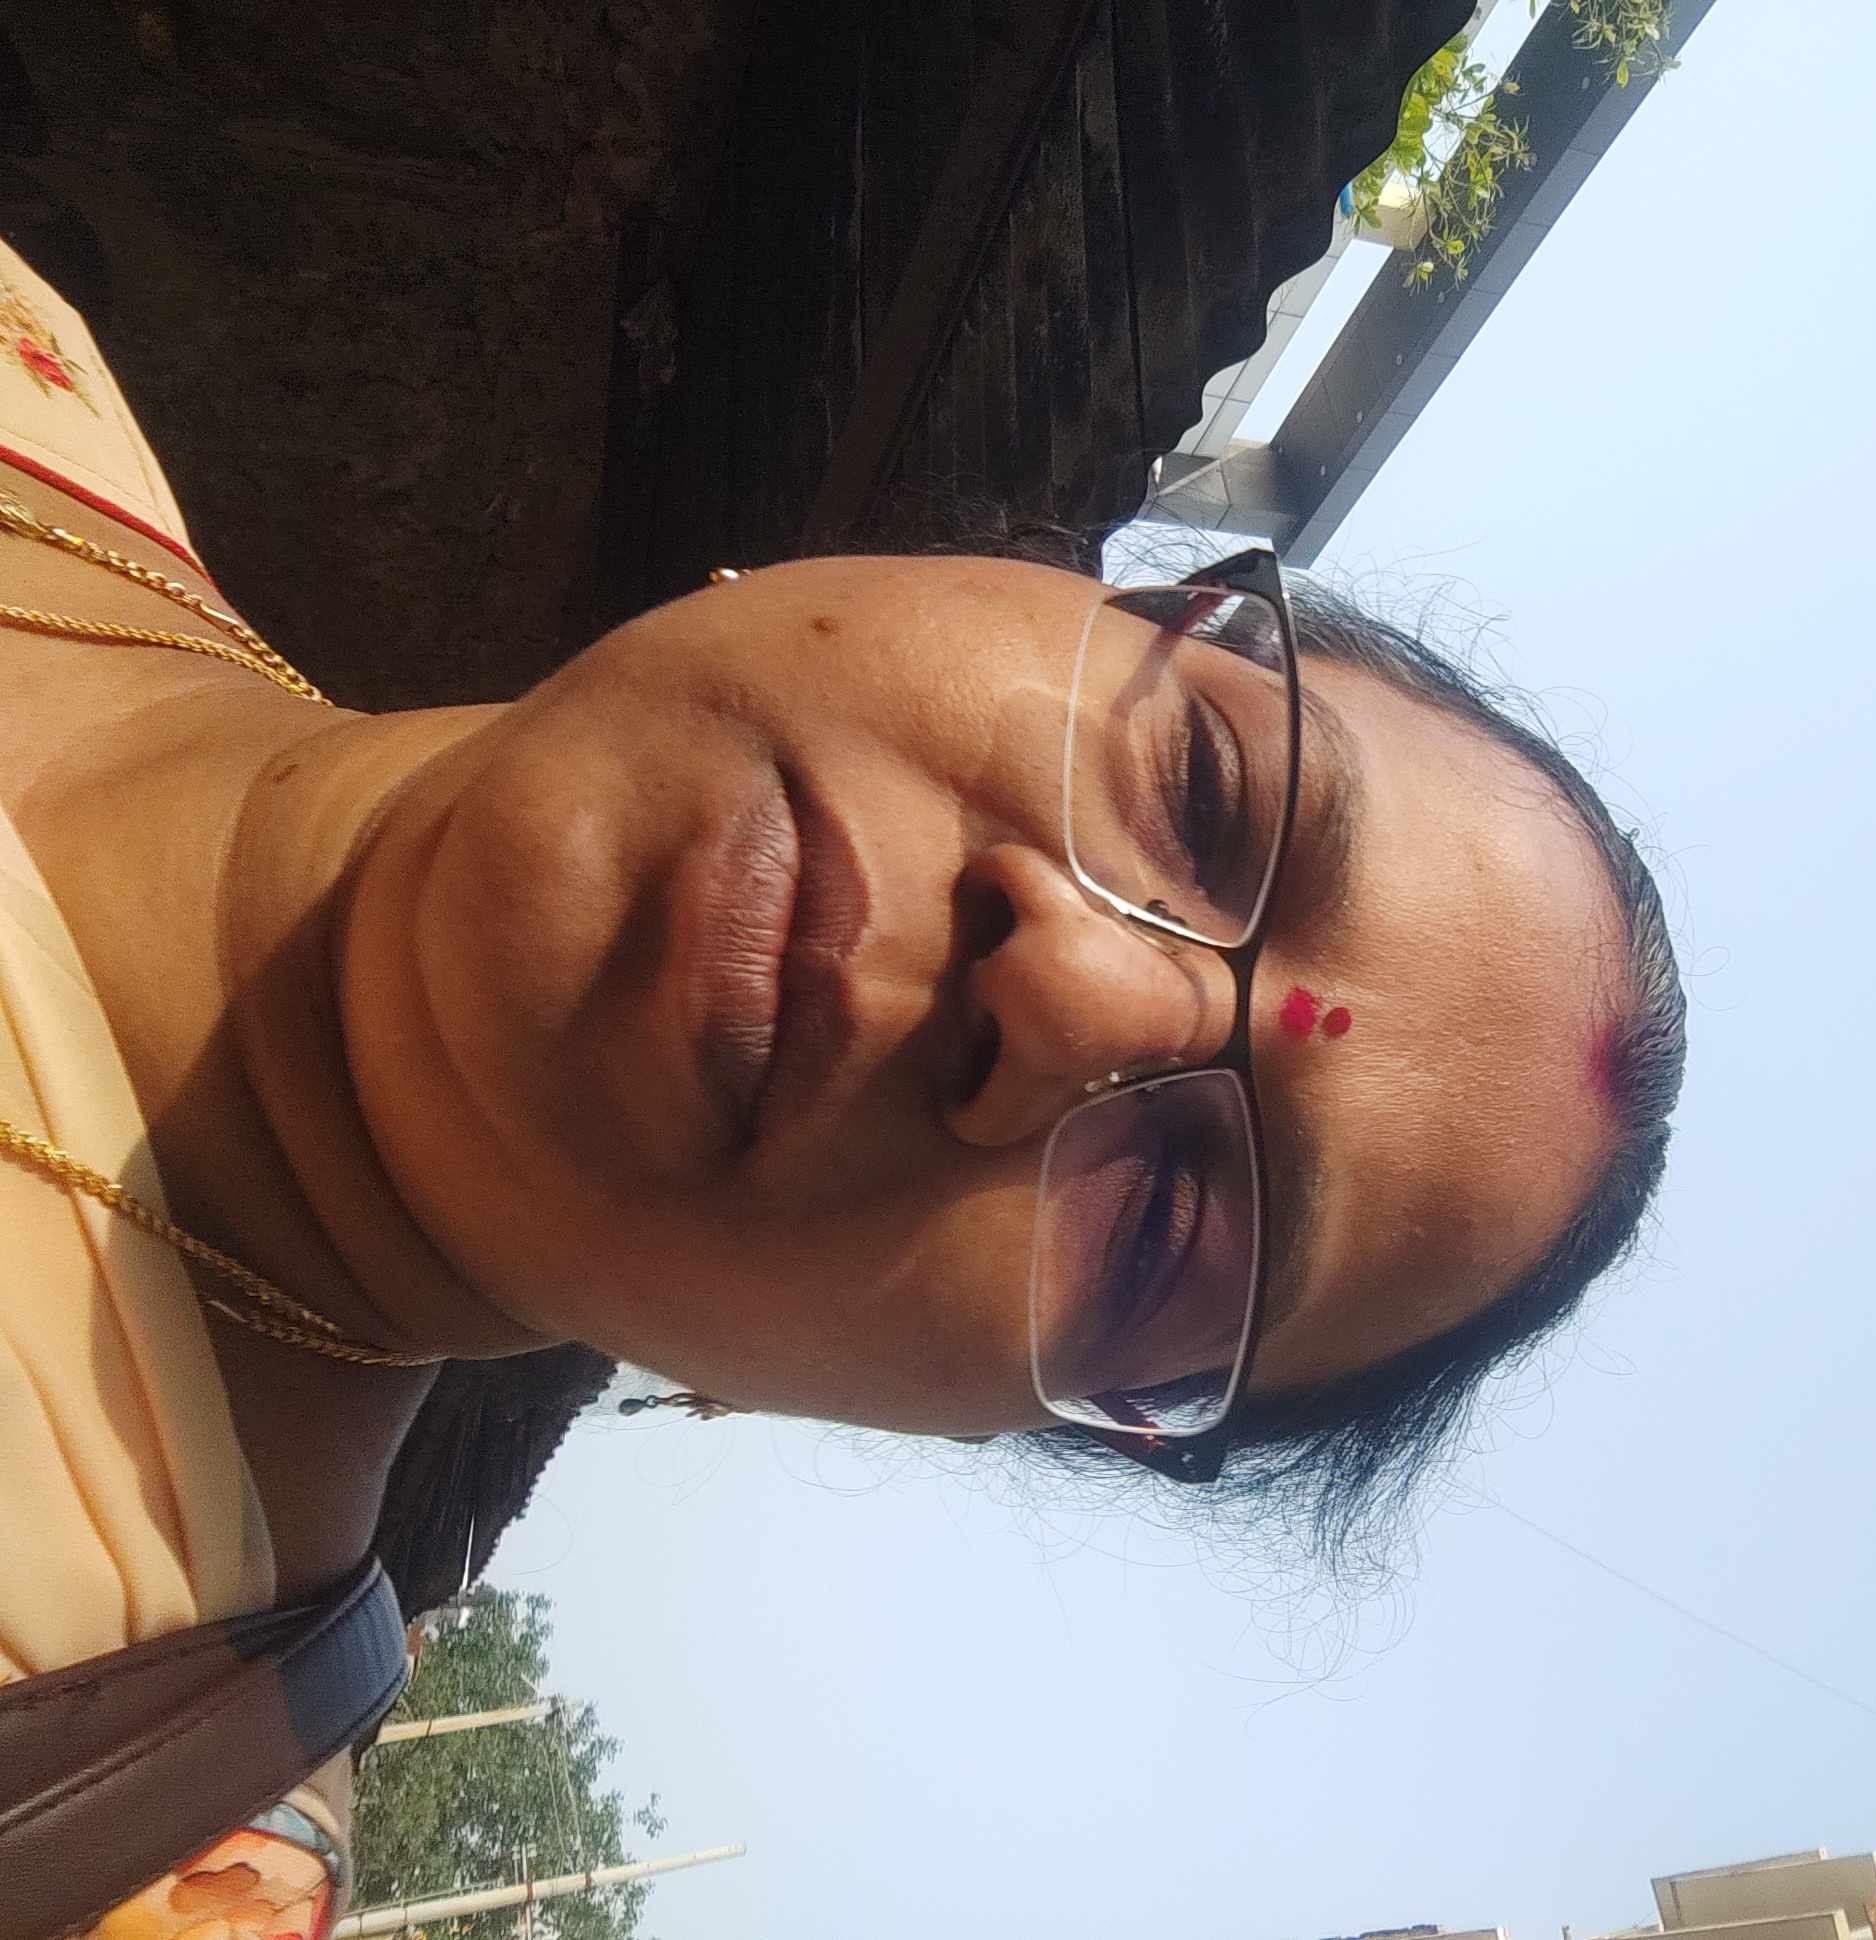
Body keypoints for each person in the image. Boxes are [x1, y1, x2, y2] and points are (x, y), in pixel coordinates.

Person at [0, 221, 1685, 1924]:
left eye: (1162, 1227)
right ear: (1025, 576)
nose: (1070, 991)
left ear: (953, 1417)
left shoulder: (129, 1865)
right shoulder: (41, 382)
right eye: (1201, 786)